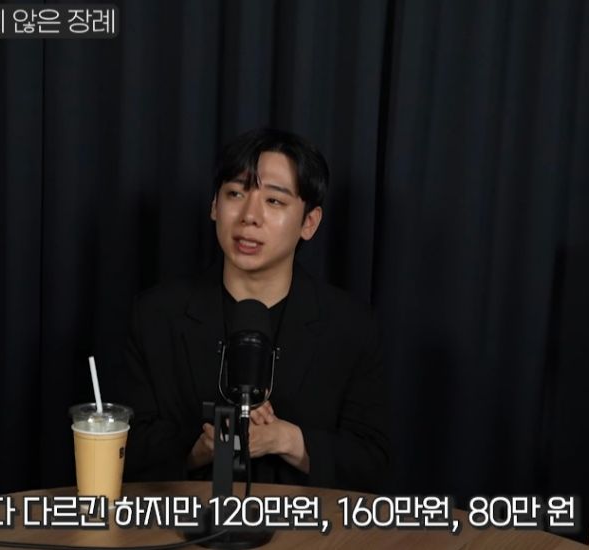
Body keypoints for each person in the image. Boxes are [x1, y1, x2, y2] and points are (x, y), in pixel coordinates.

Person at [120, 128, 389, 492]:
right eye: (235, 193)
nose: (249, 216)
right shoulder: (156, 315)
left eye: (274, 201)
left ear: (309, 222)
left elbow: (373, 462)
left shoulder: (351, 326)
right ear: (214, 206)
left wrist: (288, 440)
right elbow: (124, 448)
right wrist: (200, 447)